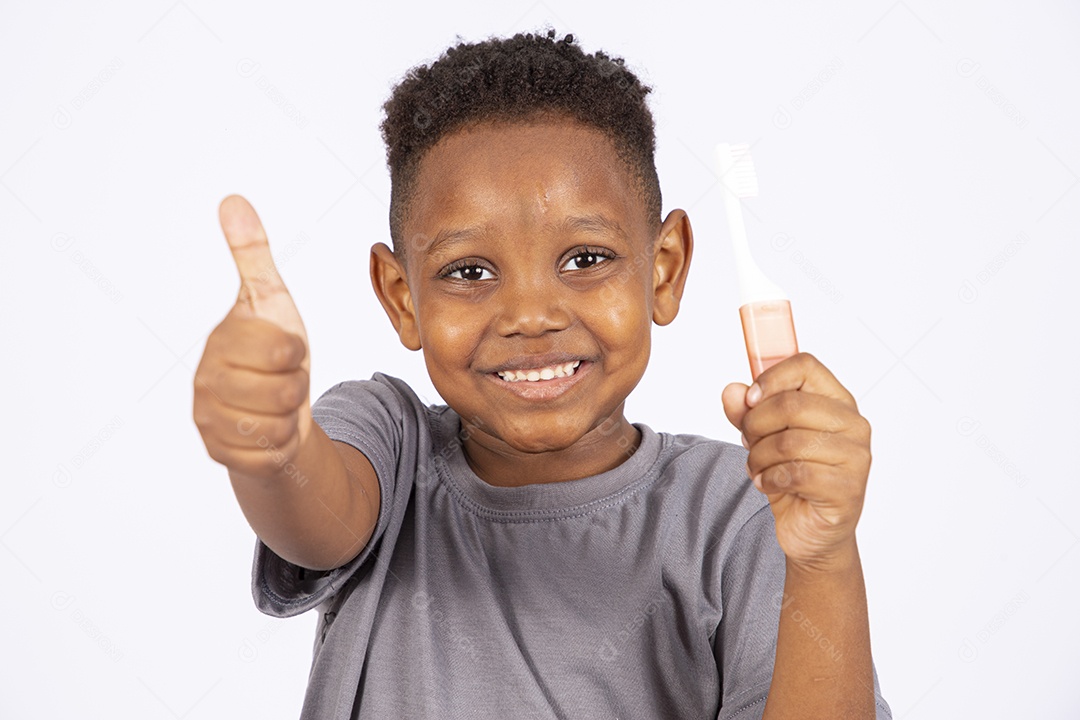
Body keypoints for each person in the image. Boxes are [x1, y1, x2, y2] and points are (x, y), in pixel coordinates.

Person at [193, 29, 892, 719]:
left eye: (585, 259)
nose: (531, 314)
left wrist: (824, 562)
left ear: (666, 267)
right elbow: (317, 515)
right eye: (469, 272)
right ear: (402, 297)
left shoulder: (747, 512)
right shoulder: (388, 444)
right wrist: (275, 447)